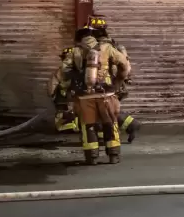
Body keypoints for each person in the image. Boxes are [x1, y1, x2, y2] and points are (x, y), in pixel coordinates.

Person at [57, 24, 131, 165]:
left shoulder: (75, 51)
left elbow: (63, 72)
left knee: (88, 126)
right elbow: (124, 64)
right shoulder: (107, 48)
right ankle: (113, 156)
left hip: (85, 97)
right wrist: (118, 81)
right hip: (106, 95)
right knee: (110, 124)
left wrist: (73, 84)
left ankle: (92, 157)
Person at [87, 15, 139, 143]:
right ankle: (130, 125)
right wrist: (121, 80)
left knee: (104, 112)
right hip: (114, 83)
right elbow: (125, 65)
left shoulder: (103, 47)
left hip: (107, 84)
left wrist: (117, 82)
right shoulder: (113, 44)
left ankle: (108, 138)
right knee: (110, 111)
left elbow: (122, 65)